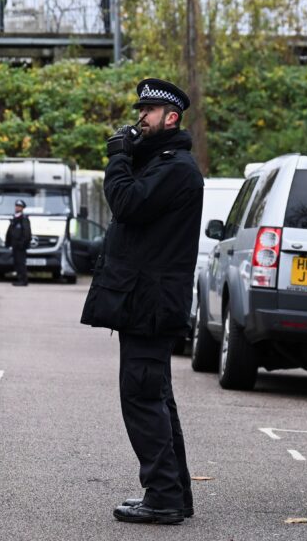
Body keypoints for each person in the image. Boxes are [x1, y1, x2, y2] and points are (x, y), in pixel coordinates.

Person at [81, 78, 203, 526]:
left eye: (148, 112)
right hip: (145, 301)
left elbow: (127, 203)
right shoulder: (162, 163)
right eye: (140, 110)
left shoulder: (176, 168)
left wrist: (118, 158)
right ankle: (175, 493)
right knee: (155, 396)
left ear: (171, 118)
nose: (140, 118)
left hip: (150, 303)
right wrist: (130, 155)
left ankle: (163, 496)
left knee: (142, 396)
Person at [5, 199, 31, 286]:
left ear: (22, 208)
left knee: (21, 263)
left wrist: (22, 244)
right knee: (16, 263)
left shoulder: (24, 219)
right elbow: (10, 231)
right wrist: (8, 242)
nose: (17, 207)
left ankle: (23, 280)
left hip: (20, 246)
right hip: (14, 245)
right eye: (16, 206)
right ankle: (19, 279)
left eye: (19, 206)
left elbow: (27, 233)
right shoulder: (15, 218)